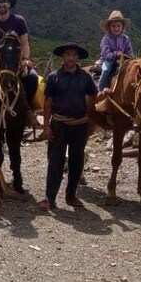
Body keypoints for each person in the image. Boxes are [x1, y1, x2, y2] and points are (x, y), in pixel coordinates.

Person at [39, 42, 99, 210]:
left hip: (79, 125)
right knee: (55, 161)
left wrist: (90, 120)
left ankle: (71, 196)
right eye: (67, 54)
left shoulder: (86, 78)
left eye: (74, 55)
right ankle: (50, 198)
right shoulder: (54, 77)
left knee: (76, 161)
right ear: (62, 57)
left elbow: (93, 97)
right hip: (58, 124)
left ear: (78, 58)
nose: (71, 58)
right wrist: (46, 126)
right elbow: (48, 103)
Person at [94, 10, 135, 113]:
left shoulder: (126, 39)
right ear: (109, 27)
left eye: (118, 26)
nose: (116, 28)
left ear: (122, 27)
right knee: (106, 70)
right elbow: (105, 54)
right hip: (109, 60)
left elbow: (129, 51)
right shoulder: (106, 39)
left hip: (123, 61)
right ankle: (101, 93)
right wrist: (116, 54)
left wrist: (131, 59)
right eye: (113, 26)